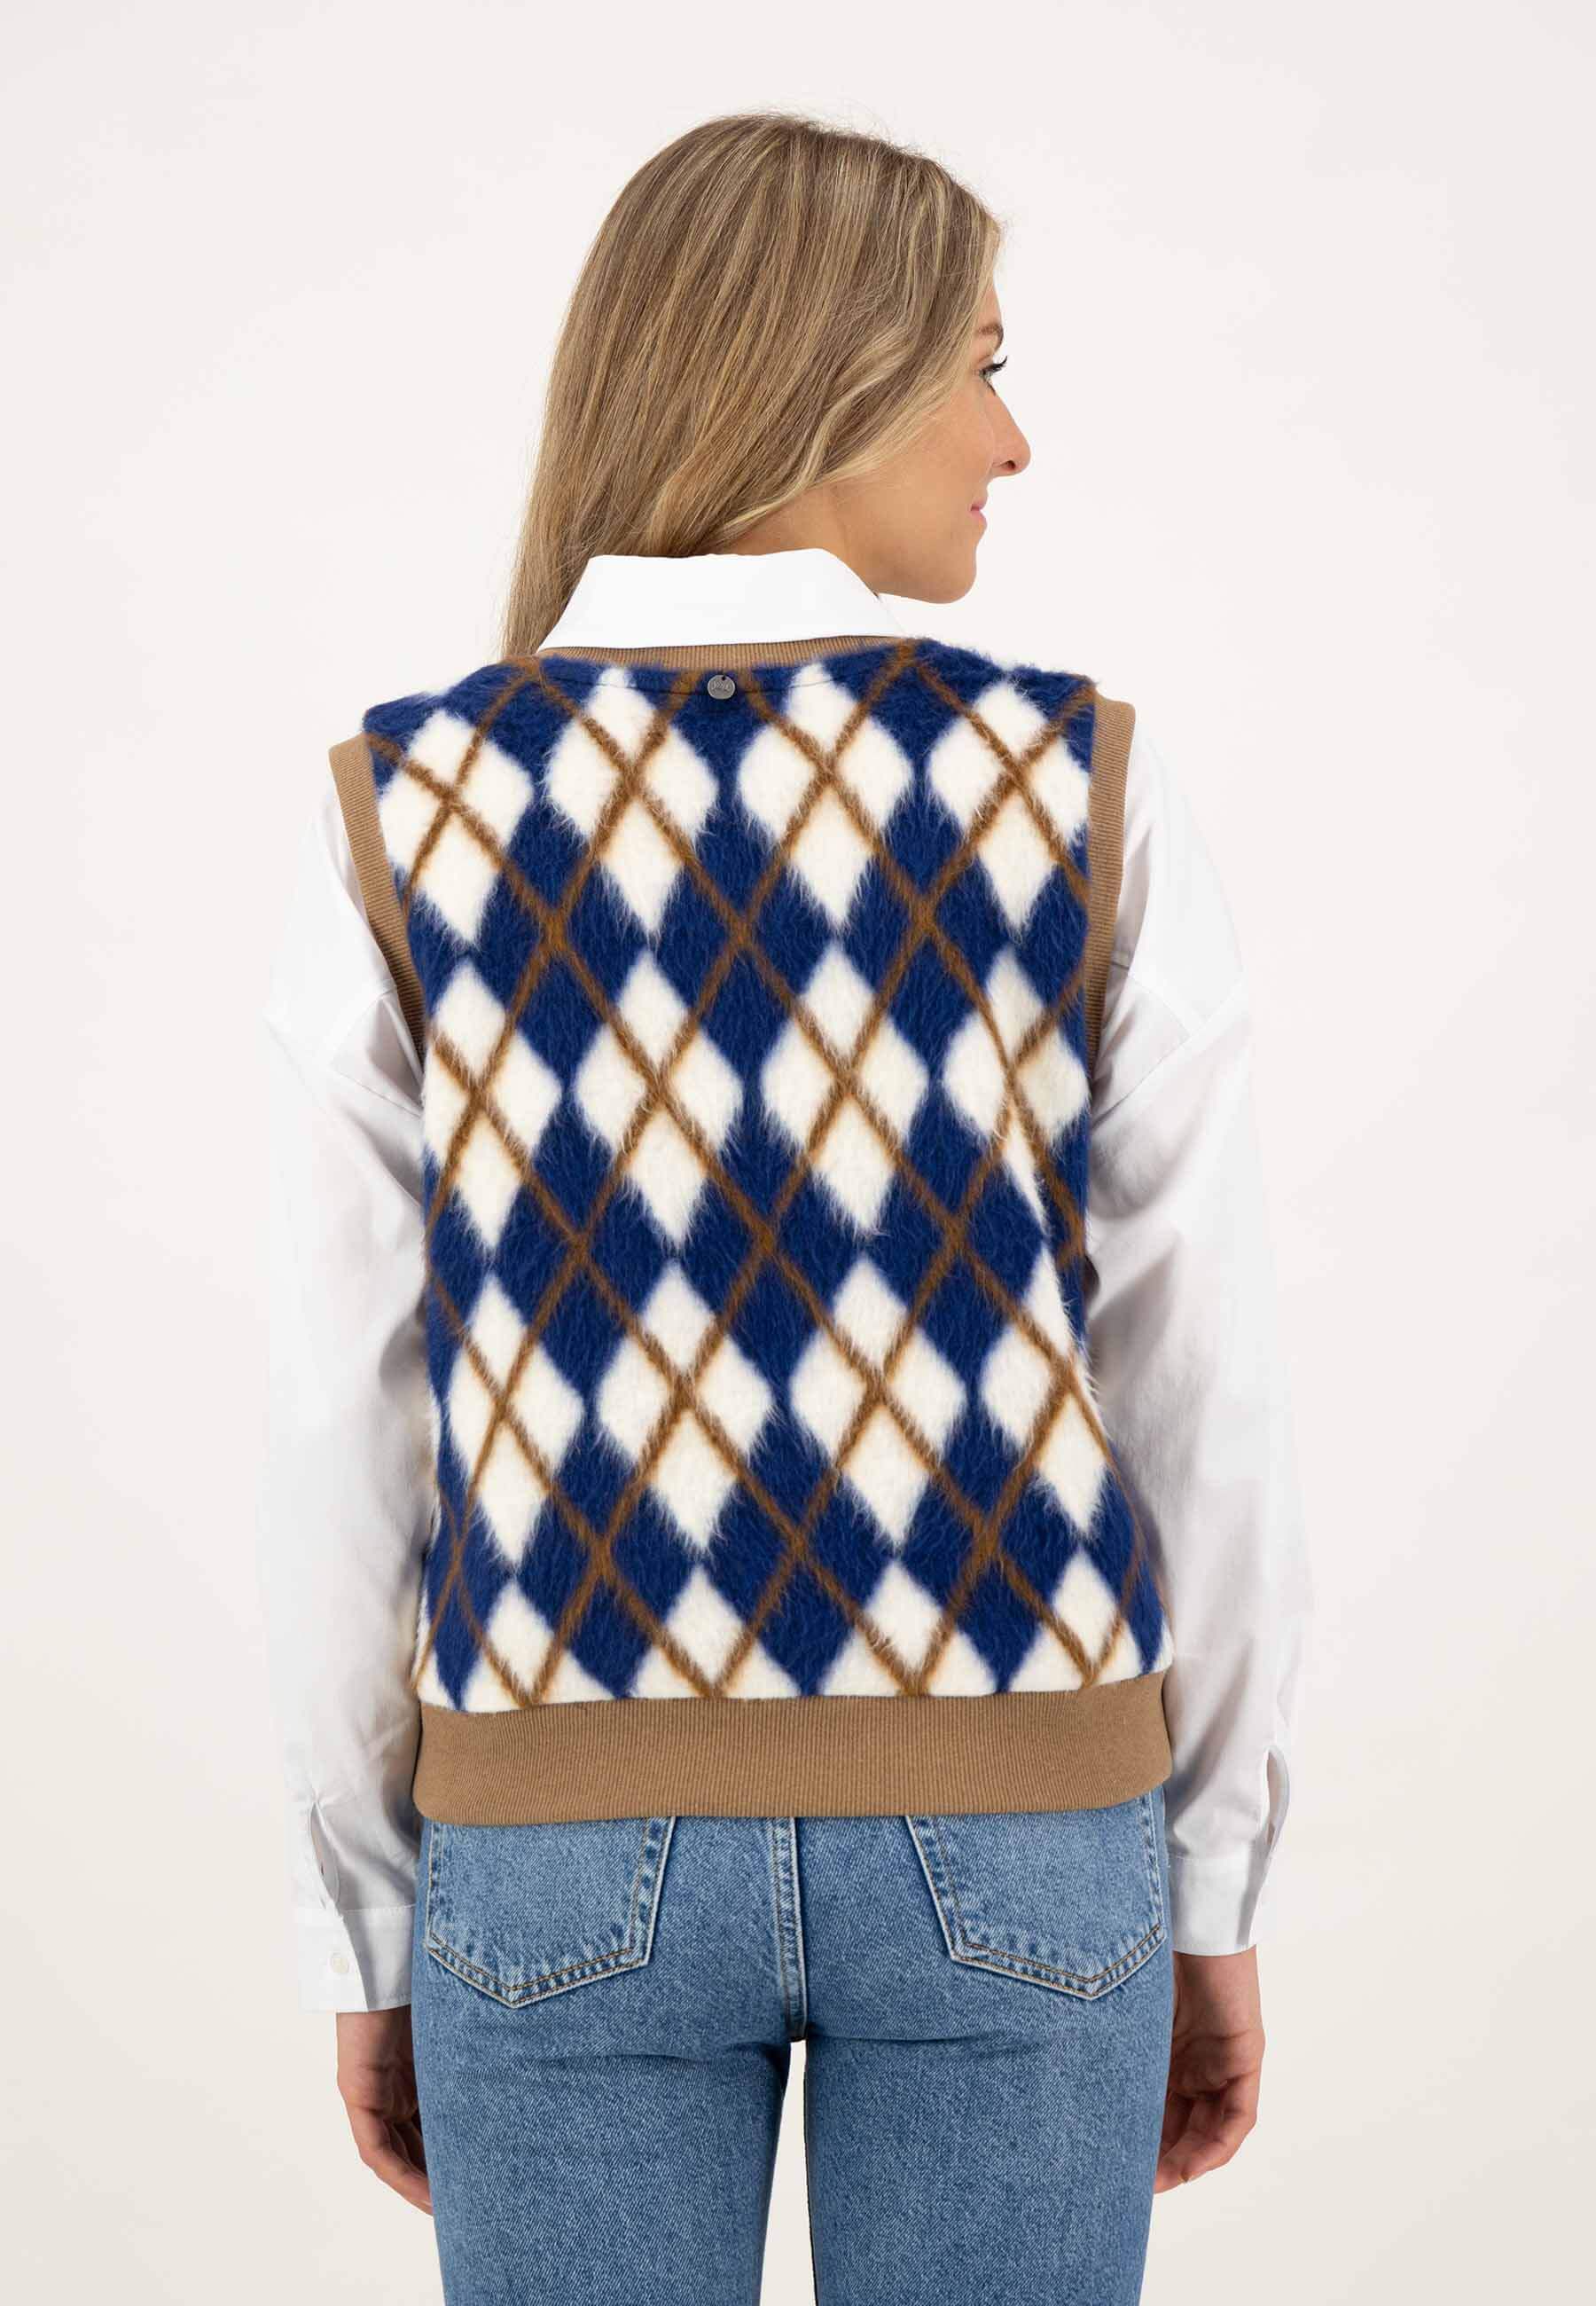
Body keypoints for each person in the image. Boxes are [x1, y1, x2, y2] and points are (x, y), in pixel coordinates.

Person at [259, 109, 1311, 2305]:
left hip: (554, 1845)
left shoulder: (411, 806)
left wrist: (367, 1919)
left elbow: (339, 1430)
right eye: (984, 366)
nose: (1013, 442)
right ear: (835, 374)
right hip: (1028, 1814)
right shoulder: (1077, 783)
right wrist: (1213, 1881)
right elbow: (1200, 1384)